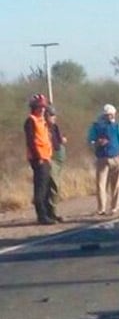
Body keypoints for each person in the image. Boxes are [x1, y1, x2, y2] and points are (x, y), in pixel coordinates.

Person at [24, 94, 59, 224]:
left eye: (44, 107)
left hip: (46, 157)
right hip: (38, 159)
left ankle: (50, 213)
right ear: (34, 107)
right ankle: (42, 215)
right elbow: (31, 141)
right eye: (41, 107)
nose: (43, 109)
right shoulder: (31, 121)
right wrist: (39, 157)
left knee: (49, 186)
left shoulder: (42, 121)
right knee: (41, 188)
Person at [87, 103, 119, 215]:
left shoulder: (118, 126)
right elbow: (90, 140)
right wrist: (96, 143)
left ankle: (114, 206)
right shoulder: (96, 126)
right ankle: (101, 208)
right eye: (107, 115)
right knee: (100, 185)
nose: (110, 117)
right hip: (102, 158)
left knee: (116, 184)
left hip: (116, 157)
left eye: (111, 114)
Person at [45, 106, 67, 218]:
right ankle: (51, 213)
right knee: (54, 186)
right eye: (51, 115)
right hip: (50, 157)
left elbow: (58, 140)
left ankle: (52, 212)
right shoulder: (43, 128)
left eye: (54, 115)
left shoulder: (55, 127)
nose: (54, 117)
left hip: (59, 157)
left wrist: (62, 140)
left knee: (56, 186)